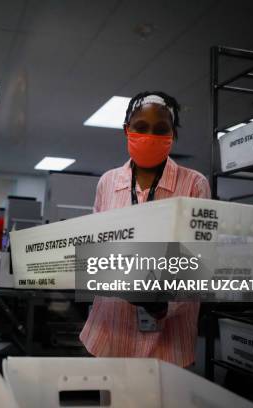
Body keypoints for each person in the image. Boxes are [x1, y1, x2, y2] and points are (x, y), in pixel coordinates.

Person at [79, 91, 211, 367]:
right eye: (140, 127)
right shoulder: (108, 182)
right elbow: (95, 247)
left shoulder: (195, 185)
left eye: (160, 129)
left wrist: (163, 304)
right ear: (126, 130)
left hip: (169, 344)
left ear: (173, 135)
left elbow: (201, 261)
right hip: (107, 335)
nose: (149, 135)